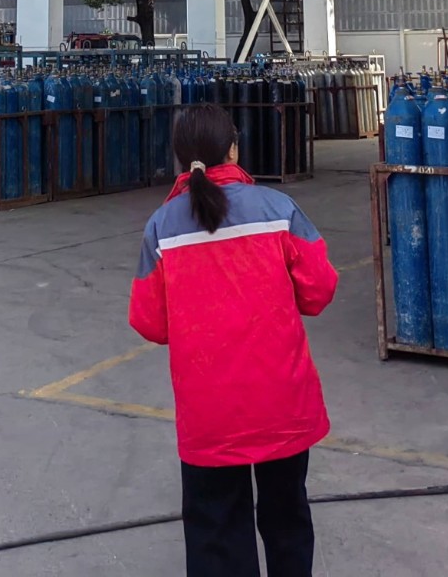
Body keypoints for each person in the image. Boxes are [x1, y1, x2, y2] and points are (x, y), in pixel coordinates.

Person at [128, 101, 338, 577]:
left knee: (216, 531)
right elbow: (319, 290)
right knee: (287, 518)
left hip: (210, 414)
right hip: (282, 403)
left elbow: (149, 321)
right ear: (234, 149)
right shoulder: (278, 209)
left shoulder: (162, 227)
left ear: (180, 157)